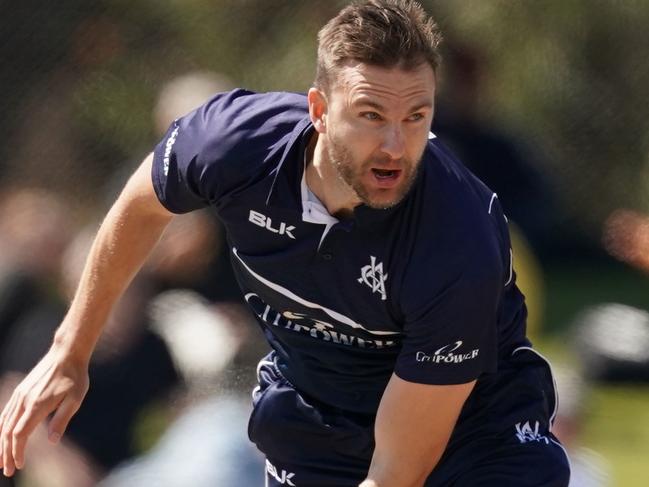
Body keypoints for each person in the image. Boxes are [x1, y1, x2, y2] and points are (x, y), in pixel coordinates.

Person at [0, 1, 571, 485]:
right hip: (314, 413)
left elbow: (397, 469)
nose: (396, 146)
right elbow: (140, 206)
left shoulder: (457, 240)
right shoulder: (234, 144)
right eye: (371, 115)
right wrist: (70, 351)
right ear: (319, 110)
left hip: (473, 429)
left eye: (416, 116)